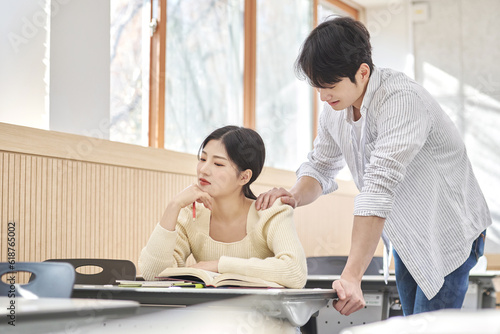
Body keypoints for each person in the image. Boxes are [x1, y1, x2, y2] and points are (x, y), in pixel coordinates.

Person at [256, 16, 491, 315]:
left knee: (428, 327)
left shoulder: (402, 100)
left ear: (363, 72)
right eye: (317, 87)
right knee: (413, 324)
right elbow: (320, 166)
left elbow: (378, 186)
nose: (323, 96)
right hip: (408, 233)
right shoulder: (334, 109)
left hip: (449, 229)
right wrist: (294, 196)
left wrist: (352, 276)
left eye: (329, 86)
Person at [139, 125, 307, 289]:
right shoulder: (190, 214)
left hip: (263, 315)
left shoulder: (271, 212)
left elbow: (295, 271)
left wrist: (218, 265)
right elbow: (153, 274)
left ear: (244, 177)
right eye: (203, 159)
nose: (203, 170)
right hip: (206, 314)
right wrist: (173, 206)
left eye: (218, 164)